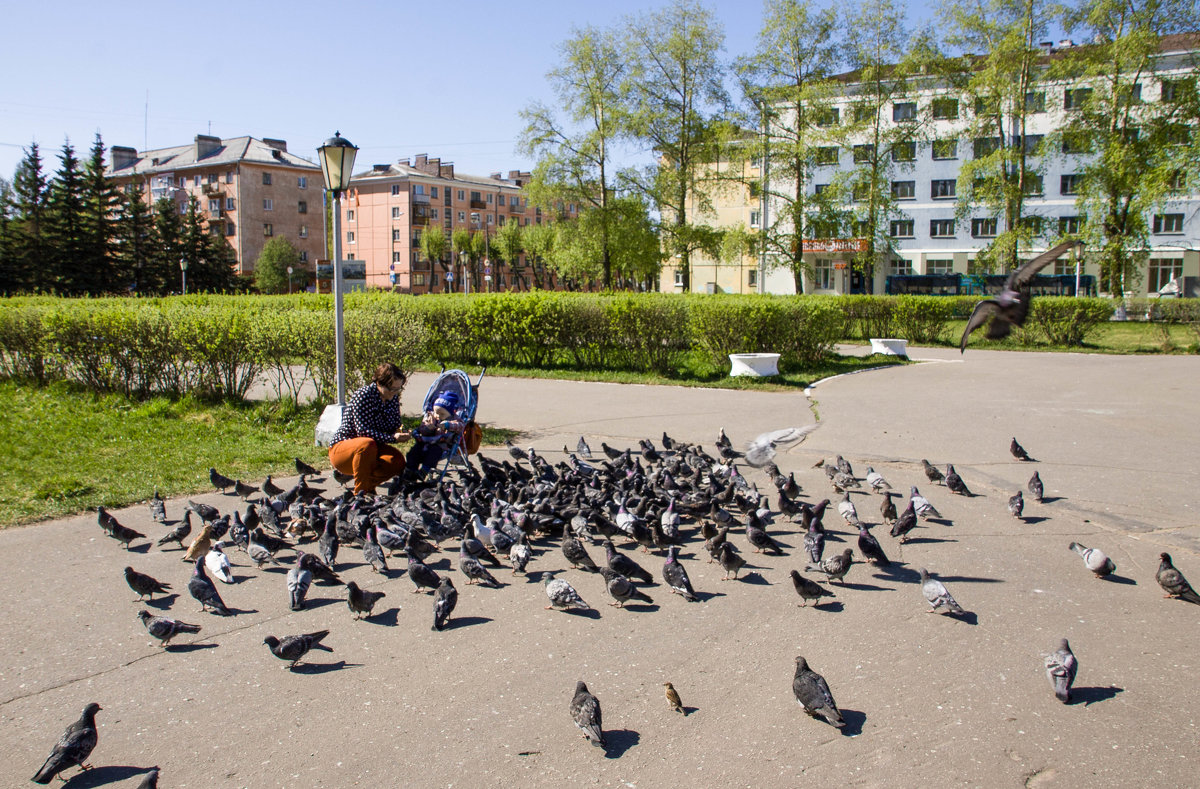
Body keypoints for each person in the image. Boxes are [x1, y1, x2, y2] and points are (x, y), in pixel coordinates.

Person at [328, 363, 411, 495]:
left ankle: (369, 488)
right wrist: (392, 438)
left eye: (398, 389)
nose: (394, 393)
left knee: (397, 460)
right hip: (345, 449)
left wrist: (402, 431)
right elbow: (363, 431)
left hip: (372, 449)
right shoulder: (364, 395)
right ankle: (361, 494)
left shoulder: (392, 398)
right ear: (379, 383)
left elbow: (395, 424)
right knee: (366, 444)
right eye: (391, 389)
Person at [405, 390, 465, 478]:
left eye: (442, 413)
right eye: (436, 412)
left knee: (433, 453)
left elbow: (460, 426)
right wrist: (427, 428)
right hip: (425, 442)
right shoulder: (431, 417)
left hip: (441, 445)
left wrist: (447, 425)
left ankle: (424, 471)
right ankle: (411, 470)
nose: (437, 415)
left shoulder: (454, 419)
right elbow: (422, 430)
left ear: (450, 412)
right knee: (414, 451)